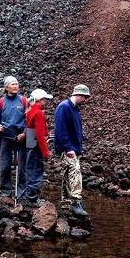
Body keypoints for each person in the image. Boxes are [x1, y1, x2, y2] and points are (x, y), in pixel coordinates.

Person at [53, 83, 91, 217]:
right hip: (68, 148)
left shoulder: (74, 108)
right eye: (85, 97)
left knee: (68, 173)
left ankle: (65, 202)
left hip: (74, 147)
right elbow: (60, 130)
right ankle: (75, 201)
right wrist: (68, 148)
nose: (85, 100)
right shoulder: (64, 107)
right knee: (75, 172)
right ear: (79, 95)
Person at [0, 75, 28, 200]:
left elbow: (29, 120)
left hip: (20, 137)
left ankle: (21, 193)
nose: (15, 86)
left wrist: (24, 133)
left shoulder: (23, 101)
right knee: (5, 166)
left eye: (16, 84)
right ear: (6, 87)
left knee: (22, 166)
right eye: (13, 84)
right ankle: (6, 192)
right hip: (5, 137)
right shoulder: (0, 103)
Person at [20, 88, 53, 206]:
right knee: (36, 169)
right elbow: (39, 134)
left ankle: (29, 195)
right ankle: (32, 198)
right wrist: (46, 152)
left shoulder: (29, 111)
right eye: (45, 99)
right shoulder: (38, 113)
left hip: (29, 144)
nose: (46, 102)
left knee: (30, 168)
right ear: (40, 100)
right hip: (35, 145)